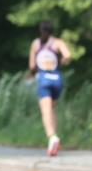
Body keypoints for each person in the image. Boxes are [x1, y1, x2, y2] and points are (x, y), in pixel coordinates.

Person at [28, 20, 71, 157]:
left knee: (45, 110)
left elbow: (32, 66)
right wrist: (61, 62)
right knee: (52, 109)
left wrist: (35, 71)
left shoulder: (36, 44)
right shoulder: (58, 43)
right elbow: (68, 55)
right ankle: (53, 141)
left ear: (41, 31)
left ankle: (52, 137)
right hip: (57, 79)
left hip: (44, 80)